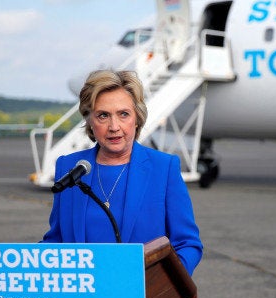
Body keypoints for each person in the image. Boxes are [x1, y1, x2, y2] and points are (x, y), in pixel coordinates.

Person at [41, 70, 203, 275]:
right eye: (103, 115)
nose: (114, 126)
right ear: (89, 120)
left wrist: (160, 284)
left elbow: (188, 244)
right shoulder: (70, 167)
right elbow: (56, 240)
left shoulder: (164, 168)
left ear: (137, 118)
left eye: (123, 114)